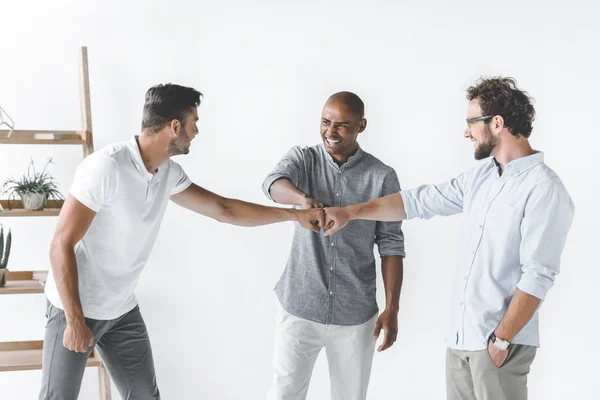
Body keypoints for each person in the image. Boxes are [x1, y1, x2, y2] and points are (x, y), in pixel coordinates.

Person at [39, 84, 326, 400]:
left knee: (145, 396)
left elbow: (223, 208)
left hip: (121, 308)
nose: (197, 131)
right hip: (75, 305)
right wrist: (75, 321)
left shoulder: (167, 172)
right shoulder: (106, 167)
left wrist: (294, 216)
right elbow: (60, 244)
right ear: (174, 127)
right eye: (194, 123)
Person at [322, 78, 574, 400]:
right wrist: (352, 212)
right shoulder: (482, 176)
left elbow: (538, 275)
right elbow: (419, 201)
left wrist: (501, 340)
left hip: (498, 345)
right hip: (461, 340)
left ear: (496, 123)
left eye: (471, 122)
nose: (466, 132)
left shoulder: (544, 189)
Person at [263, 92, 405, 400]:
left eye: (342, 125)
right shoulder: (305, 159)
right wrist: (302, 201)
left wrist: (392, 308)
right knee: (284, 393)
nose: (331, 132)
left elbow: (391, 245)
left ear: (361, 125)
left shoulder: (382, 177)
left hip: (354, 315)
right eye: (326, 122)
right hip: (299, 305)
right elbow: (273, 184)